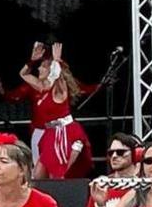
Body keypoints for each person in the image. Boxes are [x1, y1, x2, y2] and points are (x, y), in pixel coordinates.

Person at [15, 41, 95, 179]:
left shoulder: (58, 89)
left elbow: (58, 77)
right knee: (38, 175)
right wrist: (32, 61)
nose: (39, 69)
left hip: (64, 132)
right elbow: (23, 74)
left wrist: (57, 61)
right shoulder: (41, 87)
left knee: (57, 176)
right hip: (50, 133)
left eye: (43, 66)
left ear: (51, 71)